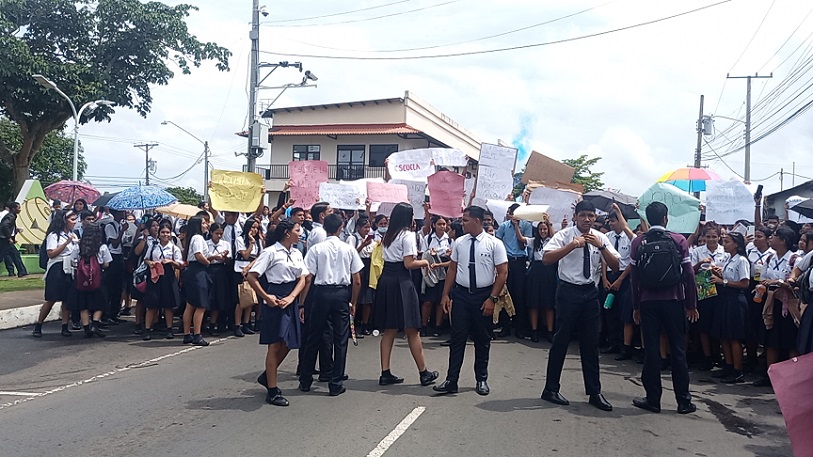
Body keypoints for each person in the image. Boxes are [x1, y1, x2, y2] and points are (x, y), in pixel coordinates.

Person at [540, 200, 620, 412]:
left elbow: (615, 265)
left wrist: (601, 246)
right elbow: (546, 259)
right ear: (575, 217)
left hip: (590, 293)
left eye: (591, 216)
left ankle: (594, 392)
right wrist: (572, 246)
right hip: (568, 291)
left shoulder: (600, 237)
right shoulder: (564, 235)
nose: (587, 219)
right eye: (583, 215)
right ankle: (550, 388)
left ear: (595, 218)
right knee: (561, 340)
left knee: (590, 343)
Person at [629, 201, 698, 414]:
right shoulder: (678, 240)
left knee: (651, 350)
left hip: (648, 303)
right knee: (678, 350)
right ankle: (683, 401)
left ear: (648, 219)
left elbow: (634, 278)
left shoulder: (638, 242)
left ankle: (653, 400)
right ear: (666, 218)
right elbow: (689, 274)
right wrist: (691, 304)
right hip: (674, 301)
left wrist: (636, 306)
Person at [434, 206, 508, 396]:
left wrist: (492, 298)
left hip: (484, 296)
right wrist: (445, 294)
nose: (462, 223)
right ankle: (451, 380)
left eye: (465, 220)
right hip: (461, 295)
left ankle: (481, 379)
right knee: (457, 339)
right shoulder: (460, 242)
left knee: (482, 339)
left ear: (477, 221)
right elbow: (452, 269)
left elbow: (502, 273)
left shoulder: (494, 244)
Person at [372, 202, 439, 387]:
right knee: (412, 328)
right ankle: (424, 372)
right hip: (401, 281)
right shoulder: (407, 235)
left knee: (390, 329)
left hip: (386, 279)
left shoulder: (389, 234)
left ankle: (385, 372)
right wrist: (425, 262)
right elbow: (409, 263)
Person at [298, 213, 364, 396]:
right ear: (341, 228)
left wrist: (302, 303)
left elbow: (308, 277)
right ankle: (336, 383)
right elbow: (357, 280)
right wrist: (354, 302)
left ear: (324, 227)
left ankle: (305, 380)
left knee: (314, 336)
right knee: (340, 339)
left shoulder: (316, 249)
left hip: (321, 293)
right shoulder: (348, 249)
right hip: (341, 293)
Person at [248, 219, 309, 406]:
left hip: (290, 297)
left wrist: (293, 297)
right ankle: (272, 390)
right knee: (275, 344)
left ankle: (267, 375)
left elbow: (303, 278)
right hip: (275, 296)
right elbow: (252, 276)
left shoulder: (296, 253)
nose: (300, 233)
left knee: (289, 341)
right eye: (297, 230)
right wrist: (266, 297)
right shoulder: (271, 252)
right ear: (287, 233)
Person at [753, 226, 801, 387]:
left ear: (783, 240)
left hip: (788, 306)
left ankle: (793, 379)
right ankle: (771, 377)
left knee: (791, 342)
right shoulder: (770, 258)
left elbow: (796, 285)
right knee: (771, 341)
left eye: (774, 236)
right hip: (772, 303)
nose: (770, 238)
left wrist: (778, 282)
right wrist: (762, 286)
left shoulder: (795, 260)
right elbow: (763, 278)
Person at [708, 232, 751, 384]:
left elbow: (745, 283)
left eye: (727, 242)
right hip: (725, 298)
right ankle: (728, 365)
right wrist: (718, 274)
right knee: (724, 335)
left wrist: (723, 281)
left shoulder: (742, 260)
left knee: (734, 336)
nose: (724, 244)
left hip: (735, 299)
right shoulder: (728, 258)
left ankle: (738, 370)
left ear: (736, 244)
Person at [33, 210, 79, 337]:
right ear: (64, 220)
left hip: (69, 268)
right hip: (57, 268)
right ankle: (39, 325)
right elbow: (51, 253)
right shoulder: (54, 235)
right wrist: (66, 243)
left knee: (66, 299)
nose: (75, 222)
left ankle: (65, 326)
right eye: (72, 220)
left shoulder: (72, 234)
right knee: (51, 298)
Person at [600, 207, 635, 359]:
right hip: (609, 276)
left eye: (613, 221)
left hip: (624, 277)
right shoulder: (606, 236)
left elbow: (632, 261)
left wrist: (620, 279)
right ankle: (612, 342)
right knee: (609, 310)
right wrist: (604, 278)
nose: (611, 224)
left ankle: (624, 345)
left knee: (624, 311)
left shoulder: (630, 238)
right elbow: (603, 259)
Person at [690, 222, 726, 371]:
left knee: (717, 323)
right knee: (704, 324)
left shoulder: (725, 251)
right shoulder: (698, 251)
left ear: (719, 237)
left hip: (720, 286)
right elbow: (690, 271)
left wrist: (719, 271)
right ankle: (707, 356)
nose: (711, 240)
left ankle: (717, 354)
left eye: (714, 237)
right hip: (703, 284)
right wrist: (700, 263)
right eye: (708, 237)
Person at [495, 203, 533, 338]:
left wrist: (517, 226)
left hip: (520, 261)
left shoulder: (526, 225)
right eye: (512, 213)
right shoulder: (504, 226)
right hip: (506, 261)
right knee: (504, 294)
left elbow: (523, 245)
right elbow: (497, 243)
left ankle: (519, 327)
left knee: (519, 295)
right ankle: (505, 326)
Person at [69, 223, 111, 338]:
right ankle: (95, 325)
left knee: (83, 305)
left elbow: (72, 262)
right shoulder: (102, 247)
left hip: (82, 280)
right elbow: (107, 263)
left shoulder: (78, 247)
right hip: (98, 279)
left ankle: (87, 329)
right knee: (100, 303)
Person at [142, 224, 183, 340]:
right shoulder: (153, 246)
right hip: (155, 276)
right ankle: (147, 330)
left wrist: (171, 261)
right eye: (163, 232)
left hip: (168, 276)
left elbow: (180, 265)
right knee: (152, 305)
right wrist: (150, 263)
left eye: (167, 232)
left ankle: (169, 329)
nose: (165, 235)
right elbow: (146, 259)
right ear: (159, 234)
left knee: (168, 305)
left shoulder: (174, 248)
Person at [524, 216, 557, 343]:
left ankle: (549, 331)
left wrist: (549, 222)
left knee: (548, 304)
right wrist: (516, 225)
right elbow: (521, 239)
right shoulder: (534, 241)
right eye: (540, 229)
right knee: (534, 303)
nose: (543, 231)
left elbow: (554, 236)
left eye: (545, 229)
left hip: (548, 271)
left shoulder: (552, 240)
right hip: (536, 272)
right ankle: (534, 331)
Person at [419, 212, 452, 337]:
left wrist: (448, 254)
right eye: (439, 224)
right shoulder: (428, 238)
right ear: (434, 225)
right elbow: (423, 254)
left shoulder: (449, 239)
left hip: (444, 269)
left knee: (440, 300)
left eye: (444, 224)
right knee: (428, 301)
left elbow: (453, 258)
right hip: (430, 268)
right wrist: (430, 253)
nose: (442, 226)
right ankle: (424, 325)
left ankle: (438, 326)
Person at [181, 216, 212, 346]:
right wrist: (208, 262)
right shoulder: (198, 237)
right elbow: (198, 255)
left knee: (190, 304)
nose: (206, 225)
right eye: (204, 223)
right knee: (200, 305)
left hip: (191, 271)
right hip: (198, 271)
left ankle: (187, 334)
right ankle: (197, 334)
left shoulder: (192, 238)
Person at [346, 216, 375, 336]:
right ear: (358, 227)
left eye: (369, 227)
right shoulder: (352, 238)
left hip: (369, 268)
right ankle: (351, 327)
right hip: (357, 267)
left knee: (368, 299)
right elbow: (350, 255)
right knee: (355, 299)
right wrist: (362, 245)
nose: (367, 230)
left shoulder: (372, 239)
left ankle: (365, 325)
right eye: (365, 227)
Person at [233, 218, 262, 337]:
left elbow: (259, 256)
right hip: (240, 270)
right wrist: (251, 243)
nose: (254, 230)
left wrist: (250, 266)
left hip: (252, 270)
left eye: (256, 228)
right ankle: (237, 325)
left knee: (250, 298)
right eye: (252, 227)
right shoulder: (240, 239)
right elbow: (245, 255)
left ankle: (246, 323)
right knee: (240, 299)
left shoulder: (259, 241)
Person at [205, 223, 231, 335]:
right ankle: (202, 324)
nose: (219, 236)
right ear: (211, 233)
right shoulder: (206, 244)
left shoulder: (225, 244)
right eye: (217, 233)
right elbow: (203, 257)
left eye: (221, 234)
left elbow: (229, 260)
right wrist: (214, 257)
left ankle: (212, 325)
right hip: (208, 270)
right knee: (207, 298)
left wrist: (225, 257)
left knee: (217, 298)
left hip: (220, 270)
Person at [0, 202, 28, 277]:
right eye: (18, 208)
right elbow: (5, 226)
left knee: (12, 254)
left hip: (4, 239)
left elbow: (8, 227)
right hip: (4, 239)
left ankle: (22, 271)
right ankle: (22, 271)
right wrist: (9, 237)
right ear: (13, 209)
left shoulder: (12, 216)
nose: (19, 210)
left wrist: (16, 231)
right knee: (15, 254)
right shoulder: (11, 216)